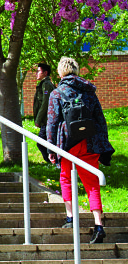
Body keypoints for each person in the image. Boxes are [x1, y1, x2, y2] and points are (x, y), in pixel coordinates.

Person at [47, 56, 114, 244]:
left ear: (60, 72)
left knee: (66, 177)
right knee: (92, 182)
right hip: (90, 140)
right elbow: (100, 119)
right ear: (76, 70)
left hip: (68, 143)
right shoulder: (89, 91)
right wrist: (103, 145)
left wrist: (51, 148)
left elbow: (52, 121)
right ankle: (98, 225)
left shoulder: (58, 92)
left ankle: (71, 218)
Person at [33, 62, 55, 163]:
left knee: (41, 142)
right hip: (45, 120)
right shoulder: (42, 84)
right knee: (44, 141)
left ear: (45, 73)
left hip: (47, 120)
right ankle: (52, 162)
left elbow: (45, 103)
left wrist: (38, 119)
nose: (36, 73)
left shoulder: (46, 85)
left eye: (38, 71)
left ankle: (52, 162)